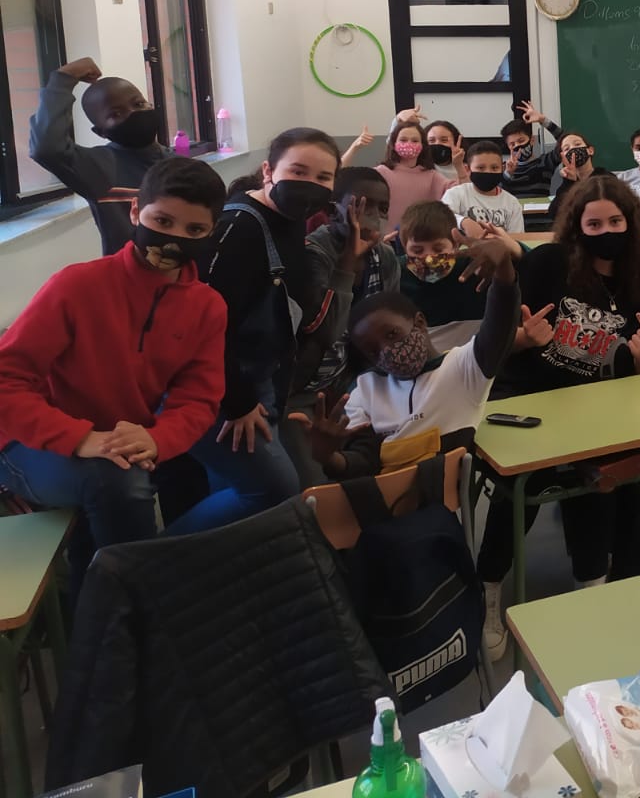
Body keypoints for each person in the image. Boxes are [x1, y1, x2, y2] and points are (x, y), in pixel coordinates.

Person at [0, 157, 227, 586]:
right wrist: (79, 438)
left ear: (211, 232)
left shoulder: (208, 307)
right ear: (135, 212)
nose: (175, 239)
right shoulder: (76, 286)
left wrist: (158, 438)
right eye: (163, 221)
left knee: (114, 507)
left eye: (195, 230)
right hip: (24, 442)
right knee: (121, 486)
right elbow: (6, 380)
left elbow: (199, 399)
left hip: (119, 445)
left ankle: (103, 614)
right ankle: (141, 608)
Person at [477, 175, 640, 658]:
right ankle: (489, 587)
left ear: (631, 224)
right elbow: (493, 345)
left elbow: (637, 376)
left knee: (608, 473)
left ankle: (596, 583)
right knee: (521, 484)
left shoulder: (634, 284)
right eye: (594, 224)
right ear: (577, 227)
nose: (606, 231)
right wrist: (523, 339)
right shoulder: (549, 264)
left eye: (615, 222)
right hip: (528, 398)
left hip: (594, 408)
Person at [167, 128, 342, 534]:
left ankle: (216, 569)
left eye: (323, 177)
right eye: (298, 171)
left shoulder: (289, 221)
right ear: (268, 171)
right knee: (272, 490)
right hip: (220, 390)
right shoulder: (238, 229)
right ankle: (148, 559)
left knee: (236, 493)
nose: (309, 185)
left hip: (261, 382)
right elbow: (201, 327)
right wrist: (238, 402)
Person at [287, 232, 523, 483]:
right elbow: (362, 462)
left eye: (392, 334)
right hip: (377, 498)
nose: (387, 350)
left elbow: (500, 323)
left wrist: (504, 269)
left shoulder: (464, 369)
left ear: (419, 322)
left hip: (433, 500)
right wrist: (328, 457)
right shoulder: (364, 389)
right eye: (373, 350)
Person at [282, 166, 400, 485]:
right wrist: (349, 259)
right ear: (335, 210)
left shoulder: (385, 258)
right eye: (361, 206)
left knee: (365, 470)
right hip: (302, 389)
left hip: (351, 384)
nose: (374, 216)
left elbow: (390, 322)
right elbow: (327, 330)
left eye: (382, 208)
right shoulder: (313, 254)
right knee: (312, 485)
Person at [28, 56, 171, 255]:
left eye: (139, 104)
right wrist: (63, 78)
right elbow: (46, 147)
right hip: (125, 273)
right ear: (100, 132)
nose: (133, 113)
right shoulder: (98, 167)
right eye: (116, 114)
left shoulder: (180, 165)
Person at [398, 200, 487, 351]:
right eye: (417, 251)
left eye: (438, 249)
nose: (428, 258)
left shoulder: (477, 269)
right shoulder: (395, 275)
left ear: (456, 245)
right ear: (404, 248)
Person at [375, 120, 451, 232]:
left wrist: (459, 166)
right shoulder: (381, 172)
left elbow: (461, 192)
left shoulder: (432, 176)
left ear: (423, 146)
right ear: (393, 144)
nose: (409, 144)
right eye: (403, 140)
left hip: (419, 238)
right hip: (386, 238)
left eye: (415, 140)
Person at [445, 140, 525, 235]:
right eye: (481, 168)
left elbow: (517, 238)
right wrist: (463, 222)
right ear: (468, 170)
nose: (488, 172)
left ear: (502, 169)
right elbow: (440, 218)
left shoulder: (512, 203)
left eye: (494, 168)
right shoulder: (455, 194)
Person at [501, 100, 565, 198]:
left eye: (521, 141)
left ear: (532, 140)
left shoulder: (545, 162)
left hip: (541, 208)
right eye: (512, 144)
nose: (518, 146)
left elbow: (566, 142)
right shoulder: (504, 169)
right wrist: (508, 173)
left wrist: (543, 120)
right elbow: (497, 193)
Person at [546, 131, 613, 222]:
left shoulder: (607, 178)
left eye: (577, 144)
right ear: (563, 158)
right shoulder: (567, 182)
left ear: (590, 150)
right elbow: (554, 214)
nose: (573, 149)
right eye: (566, 148)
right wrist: (569, 182)